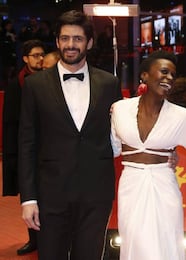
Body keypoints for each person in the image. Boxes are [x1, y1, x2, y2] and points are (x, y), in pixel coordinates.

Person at [18, 10, 122, 260]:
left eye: (77, 39)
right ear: (57, 41)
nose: (70, 45)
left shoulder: (109, 83)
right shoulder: (35, 85)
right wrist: (28, 198)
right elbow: (27, 143)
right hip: (50, 194)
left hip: (96, 195)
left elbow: (122, 132)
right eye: (64, 38)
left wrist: (162, 154)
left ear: (89, 42)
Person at [110, 50, 186, 260]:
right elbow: (112, 149)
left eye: (173, 75)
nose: (169, 78)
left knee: (166, 243)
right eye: (164, 72)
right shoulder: (119, 109)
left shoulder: (183, 116)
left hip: (164, 185)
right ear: (144, 75)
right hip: (131, 185)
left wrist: (173, 153)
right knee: (134, 243)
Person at [2, 39, 45, 256]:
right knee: (29, 195)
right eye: (35, 55)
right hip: (25, 148)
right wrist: (11, 156)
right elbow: (10, 123)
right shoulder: (15, 84)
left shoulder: (51, 80)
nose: (40, 59)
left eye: (42, 55)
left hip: (48, 148)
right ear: (25, 59)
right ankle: (33, 239)